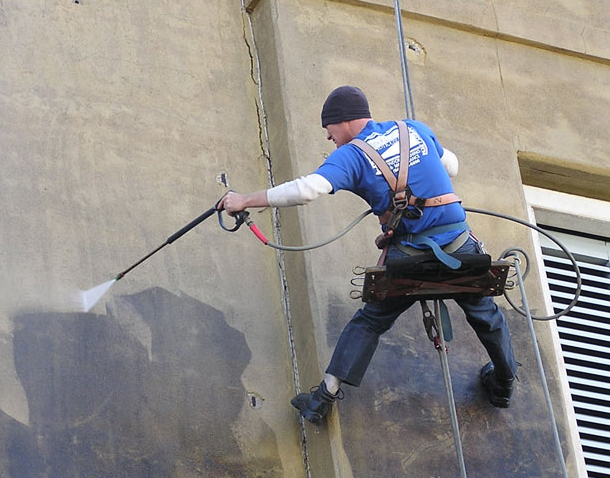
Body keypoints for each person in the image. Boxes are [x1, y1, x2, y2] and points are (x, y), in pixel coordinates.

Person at [221, 86, 517, 424]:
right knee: (485, 313)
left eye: (328, 128)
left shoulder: (350, 156)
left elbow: (307, 189)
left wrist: (243, 200)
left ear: (344, 121)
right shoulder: (413, 129)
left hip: (410, 259)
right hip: (459, 248)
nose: (329, 137)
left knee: (371, 320)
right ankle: (504, 383)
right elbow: (452, 166)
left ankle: (322, 398)